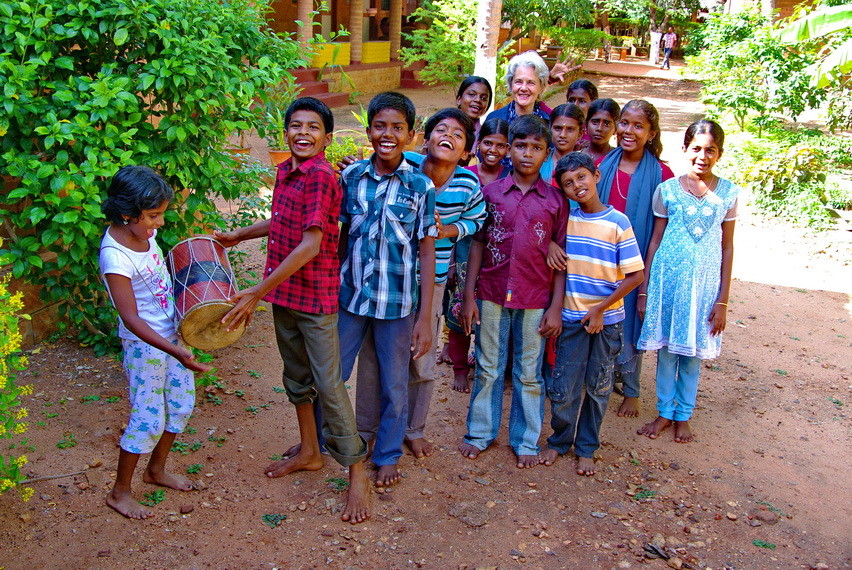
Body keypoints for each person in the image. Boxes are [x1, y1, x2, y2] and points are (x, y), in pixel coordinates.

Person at [214, 97, 371, 523]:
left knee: (329, 383)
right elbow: (283, 221)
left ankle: (357, 472)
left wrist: (256, 291)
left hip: (314, 298)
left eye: (313, 127)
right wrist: (238, 235)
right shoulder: (286, 171)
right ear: (286, 132)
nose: (303, 133)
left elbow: (312, 243)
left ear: (327, 137)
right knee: (297, 378)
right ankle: (309, 451)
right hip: (285, 296)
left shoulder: (320, 176)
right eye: (296, 126)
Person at [354, 107, 485, 458]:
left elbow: (476, 221)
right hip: (388, 279)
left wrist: (451, 229)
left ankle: (413, 429)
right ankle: (365, 429)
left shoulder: (468, 183)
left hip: (432, 282)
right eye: (441, 130)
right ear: (424, 139)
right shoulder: (406, 166)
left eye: (458, 135)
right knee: (373, 357)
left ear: (466, 152)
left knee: (421, 359)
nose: (449, 137)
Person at [99, 165, 211, 519]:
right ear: (126, 213)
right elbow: (131, 318)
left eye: (160, 214)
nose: (159, 223)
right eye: (153, 215)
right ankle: (120, 492)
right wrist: (175, 349)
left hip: (171, 335)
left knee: (180, 406)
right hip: (145, 346)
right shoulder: (114, 256)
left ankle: (156, 470)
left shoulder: (144, 235)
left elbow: (161, 280)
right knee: (147, 418)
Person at [338, 91, 436, 486]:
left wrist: (425, 317)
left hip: (397, 305)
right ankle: (329, 443)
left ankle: (389, 453)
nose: (388, 134)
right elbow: (341, 238)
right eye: (380, 126)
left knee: (395, 383)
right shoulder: (350, 178)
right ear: (368, 131)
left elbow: (426, 252)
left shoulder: (420, 186)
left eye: (397, 127)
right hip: (351, 299)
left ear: (411, 136)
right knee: (333, 375)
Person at [459, 115, 568, 468]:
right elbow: (477, 244)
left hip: (535, 298)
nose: (527, 154)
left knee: (528, 372)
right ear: (509, 151)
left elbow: (561, 256)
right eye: (520, 146)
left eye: (536, 148)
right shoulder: (489, 194)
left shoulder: (555, 201)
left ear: (547, 153)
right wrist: (468, 296)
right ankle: (479, 433)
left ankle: (525, 440)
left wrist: (555, 307)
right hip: (491, 292)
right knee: (489, 366)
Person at [541, 153, 644, 475]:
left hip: (606, 323)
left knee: (598, 388)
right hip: (571, 319)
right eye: (568, 183)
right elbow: (550, 251)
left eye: (582, 177)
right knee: (564, 386)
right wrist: (549, 247)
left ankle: (587, 446)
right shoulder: (566, 220)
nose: (577, 186)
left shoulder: (618, 222)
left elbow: (636, 275)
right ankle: (560, 441)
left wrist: (600, 309)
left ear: (596, 175)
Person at [636, 120, 738, 443]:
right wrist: (644, 288)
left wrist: (722, 301)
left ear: (719, 153)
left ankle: (684, 415)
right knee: (666, 350)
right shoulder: (666, 190)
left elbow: (727, 246)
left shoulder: (728, 194)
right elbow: (654, 241)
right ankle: (665, 412)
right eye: (696, 148)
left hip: (704, 288)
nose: (702, 156)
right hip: (669, 281)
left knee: (692, 353)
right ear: (685, 149)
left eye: (710, 150)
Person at [448, 118, 511, 393]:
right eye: (487, 143)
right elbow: (450, 218)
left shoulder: (511, 177)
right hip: (462, 251)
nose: (493, 150)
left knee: (492, 315)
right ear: (477, 144)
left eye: (500, 145)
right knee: (460, 312)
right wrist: (450, 261)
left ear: (508, 149)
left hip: (497, 257)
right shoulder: (465, 175)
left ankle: (489, 368)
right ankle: (459, 369)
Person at [540, 103, 585, 184]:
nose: (563, 135)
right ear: (550, 130)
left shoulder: (585, 167)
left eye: (570, 129)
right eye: (558, 128)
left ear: (580, 134)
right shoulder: (539, 162)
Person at [456, 76, 493, 145]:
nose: (478, 100)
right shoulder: (443, 129)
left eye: (484, 98)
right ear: (459, 99)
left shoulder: (487, 137)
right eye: (472, 94)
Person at [584, 98, 621, 162]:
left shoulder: (619, 158)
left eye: (607, 124)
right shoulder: (577, 157)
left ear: (615, 128)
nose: (599, 128)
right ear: (587, 124)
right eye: (595, 122)